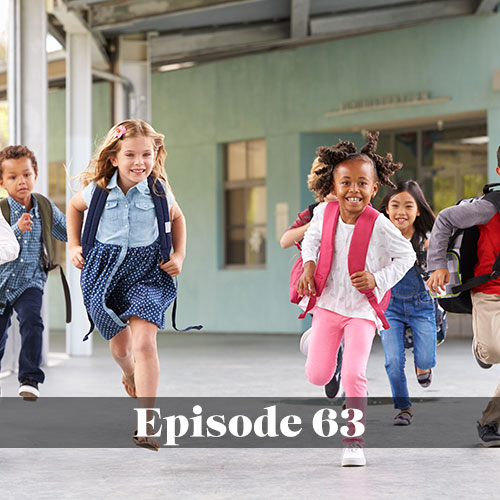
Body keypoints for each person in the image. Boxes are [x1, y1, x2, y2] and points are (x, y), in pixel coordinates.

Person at [297, 132, 415, 466]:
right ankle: (316, 344)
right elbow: (312, 241)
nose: (353, 190)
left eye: (362, 183)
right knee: (318, 376)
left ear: (374, 189)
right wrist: (308, 266)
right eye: (345, 183)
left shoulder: (380, 225)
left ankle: (354, 441)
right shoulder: (324, 214)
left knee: (354, 375)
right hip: (329, 305)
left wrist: (378, 279)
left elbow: (406, 257)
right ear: (333, 187)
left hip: (362, 310)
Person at [67, 120, 186, 451]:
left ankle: (145, 424)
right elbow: (75, 208)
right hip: (105, 273)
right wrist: (74, 247)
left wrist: (179, 254)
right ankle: (130, 374)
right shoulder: (99, 191)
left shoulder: (160, 191)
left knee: (145, 343)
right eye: (130, 155)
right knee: (121, 348)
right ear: (114, 158)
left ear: (155, 154)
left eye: (146, 154)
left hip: (147, 272)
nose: (139, 162)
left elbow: (178, 218)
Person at [427, 148, 500, 446]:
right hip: (489, 292)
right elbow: (444, 219)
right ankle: (481, 348)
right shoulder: (489, 207)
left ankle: (492, 421)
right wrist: (437, 266)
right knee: (494, 352)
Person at [0, 145, 67, 400]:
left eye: (26, 174)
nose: (21, 181)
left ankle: (29, 379)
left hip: (30, 281)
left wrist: (85, 244)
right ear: (2, 181)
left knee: (32, 321)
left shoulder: (44, 207)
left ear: (35, 174)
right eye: (13, 177)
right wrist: (16, 229)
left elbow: (68, 232)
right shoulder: (1, 212)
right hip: (1, 284)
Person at [280, 157, 342, 399]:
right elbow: (286, 240)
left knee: (349, 328)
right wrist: (317, 222)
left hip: (348, 280)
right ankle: (325, 354)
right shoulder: (313, 212)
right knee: (328, 332)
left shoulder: (354, 208)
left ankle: (342, 369)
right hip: (320, 281)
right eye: (326, 186)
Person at [379, 180, 437, 425]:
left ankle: (423, 366)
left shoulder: (426, 238)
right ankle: (404, 408)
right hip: (389, 308)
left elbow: (442, 264)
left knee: (424, 360)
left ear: (418, 210)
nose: (401, 212)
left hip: (421, 304)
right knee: (393, 361)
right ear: (386, 210)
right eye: (395, 205)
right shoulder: (379, 236)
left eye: (408, 206)